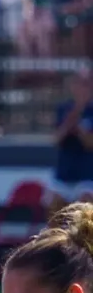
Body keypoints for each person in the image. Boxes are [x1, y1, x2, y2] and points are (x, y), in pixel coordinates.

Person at [51, 68, 93, 215]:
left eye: (86, 84)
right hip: (64, 174)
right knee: (54, 208)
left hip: (87, 176)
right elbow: (56, 140)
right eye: (79, 84)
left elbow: (90, 144)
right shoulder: (63, 109)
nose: (82, 88)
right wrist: (70, 122)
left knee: (85, 208)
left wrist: (80, 128)